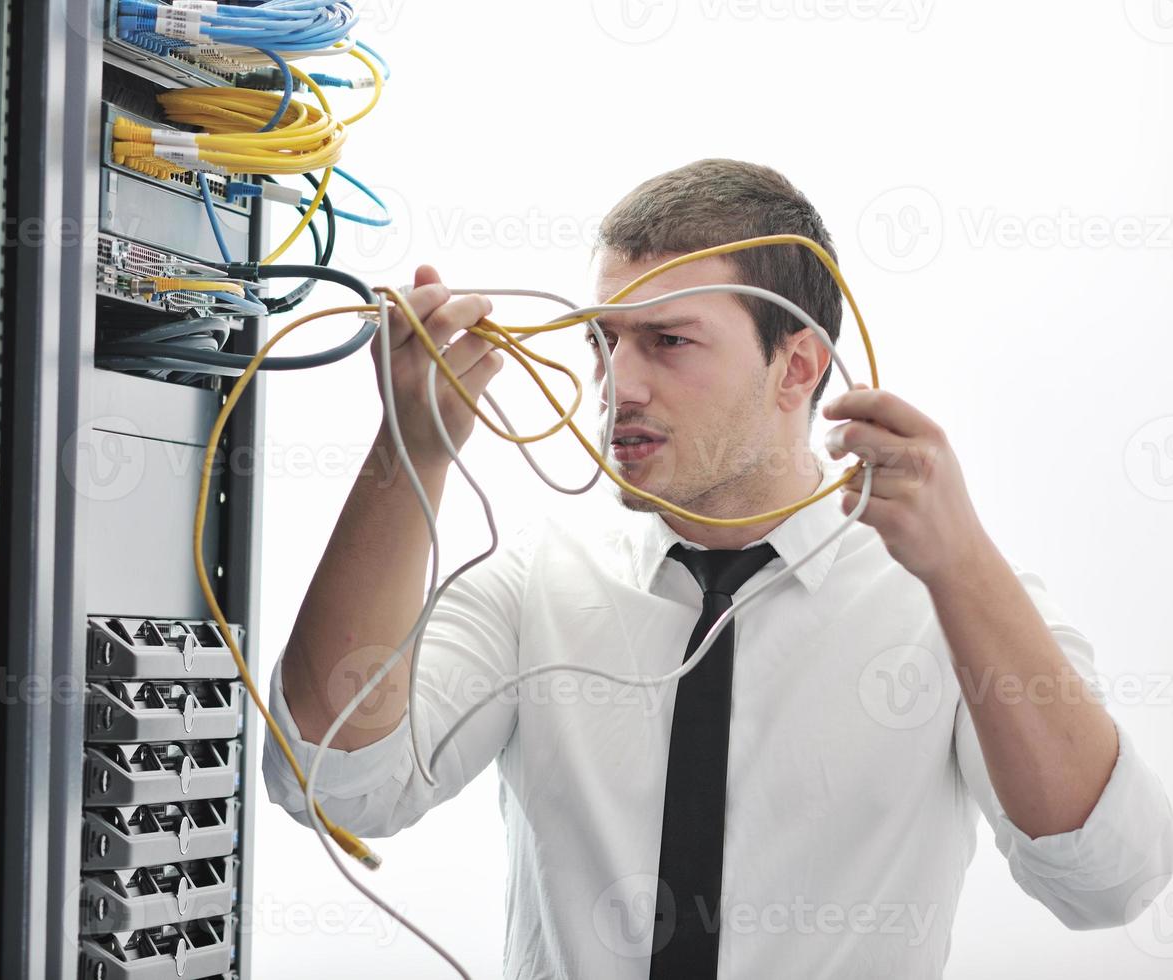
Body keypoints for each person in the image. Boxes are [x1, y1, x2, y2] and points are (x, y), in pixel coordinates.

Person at [261, 159, 1173, 978]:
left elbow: (1109, 883)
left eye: (668, 341)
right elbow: (332, 784)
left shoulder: (945, 597)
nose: (618, 382)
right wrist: (408, 454)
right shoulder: (539, 577)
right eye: (602, 340)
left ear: (796, 366)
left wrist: (963, 567)